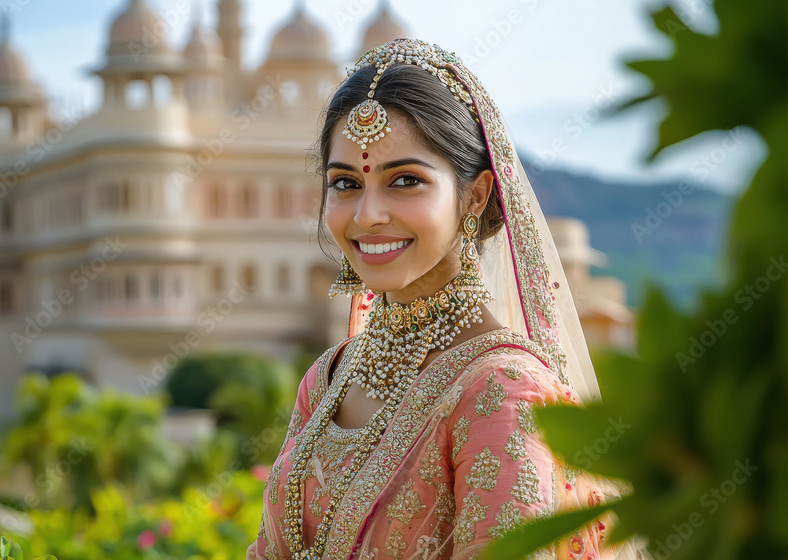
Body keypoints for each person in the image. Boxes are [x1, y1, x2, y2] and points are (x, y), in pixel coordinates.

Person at [246, 38, 642, 560]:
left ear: (475, 196)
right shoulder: (327, 379)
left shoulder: (502, 390)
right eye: (344, 183)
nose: (367, 215)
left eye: (405, 181)